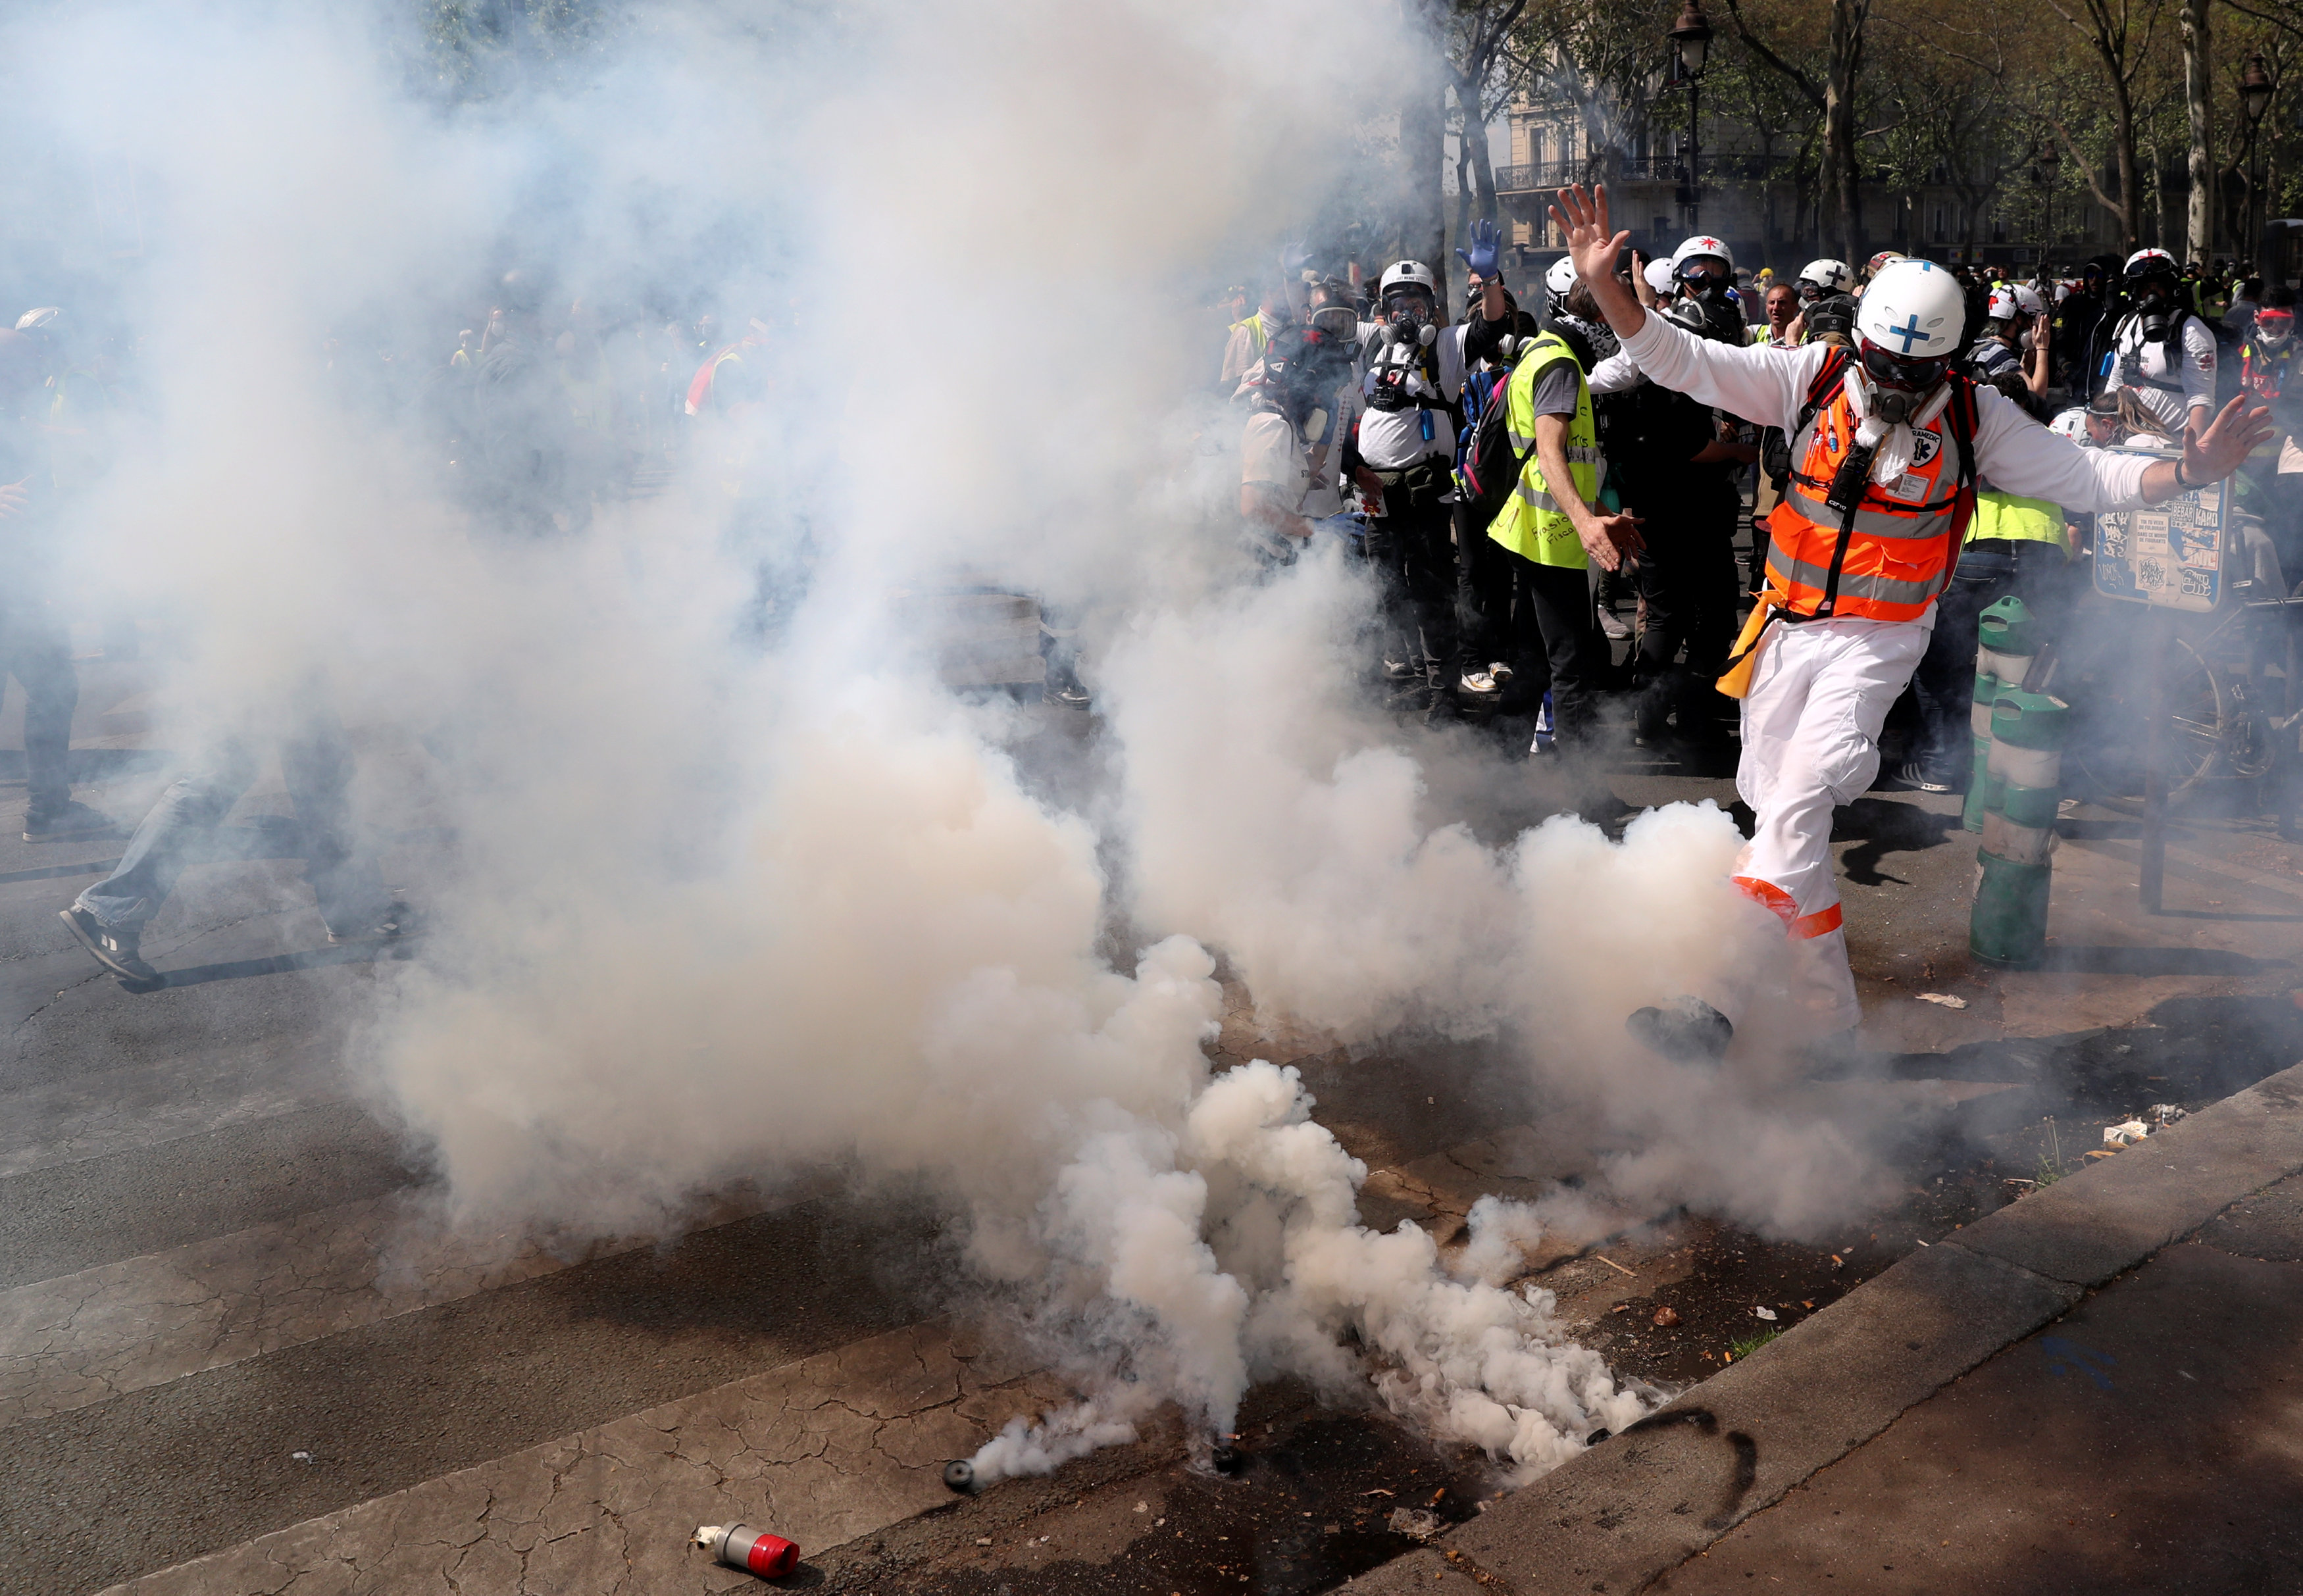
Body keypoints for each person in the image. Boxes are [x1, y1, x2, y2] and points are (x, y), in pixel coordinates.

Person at [1547, 183, 2273, 1053]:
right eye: (1880, 366)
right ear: (1858, 343)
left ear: (1946, 361)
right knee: (1778, 809)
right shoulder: (1808, 377)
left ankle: (1714, 1001)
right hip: (1781, 632)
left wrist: (2185, 473)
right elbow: (1682, 362)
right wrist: (1610, 288)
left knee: (1799, 803)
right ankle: (1836, 1035)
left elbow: (2087, 477)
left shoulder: (1977, 416)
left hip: (1876, 645)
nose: (1891, 386)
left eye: (1913, 371)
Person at [57, 676, 409, 989]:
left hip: (278, 646)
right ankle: (110, 910)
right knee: (222, 775)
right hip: (267, 651)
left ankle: (353, 905)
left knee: (318, 769)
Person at [1484, 270, 1641, 752]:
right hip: (1552, 538)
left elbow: (1563, 457)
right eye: (1618, 313)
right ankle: (1581, 799)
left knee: (1534, 657)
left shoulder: (1545, 349)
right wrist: (1586, 522)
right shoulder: (1562, 364)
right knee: (1572, 667)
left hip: (1535, 531)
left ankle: (1500, 769)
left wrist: (1595, 510)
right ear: (1599, 313)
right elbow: (1550, 453)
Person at [1355, 248, 1513, 713]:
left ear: (1433, 307)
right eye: (1398, 305)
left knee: (1431, 592)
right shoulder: (1371, 344)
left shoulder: (1445, 344)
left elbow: (1492, 326)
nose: (1407, 314)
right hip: (1375, 494)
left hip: (1425, 492)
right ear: (1384, 310)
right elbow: (1324, 327)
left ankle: (1443, 690)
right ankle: (1401, 673)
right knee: (1382, 589)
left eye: (1417, 304)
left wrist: (1489, 280)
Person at [0, 329, 107, 844]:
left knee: (53, 687)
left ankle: (49, 808)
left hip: (23, 581)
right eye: (22, 360)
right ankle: (48, 811)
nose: (35, 369)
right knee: (53, 687)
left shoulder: (18, 414)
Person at [2112, 248, 2218, 441]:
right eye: (2145, 289)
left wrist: (2192, 454)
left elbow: (2201, 401)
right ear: (2133, 292)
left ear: (2171, 290)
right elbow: (2115, 383)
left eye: (2159, 288)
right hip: (2126, 441)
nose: (2152, 296)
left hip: (2170, 444)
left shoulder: (2193, 331)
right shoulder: (2125, 325)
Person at [1968, 283, 2049, 395]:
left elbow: (2012, 387)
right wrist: (2042, 349)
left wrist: (2026, 365)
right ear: (2019, 319)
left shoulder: (1982, 345)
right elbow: (2037, 396)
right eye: (2032, 320)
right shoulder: (1999, 356)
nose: (2033, 327)